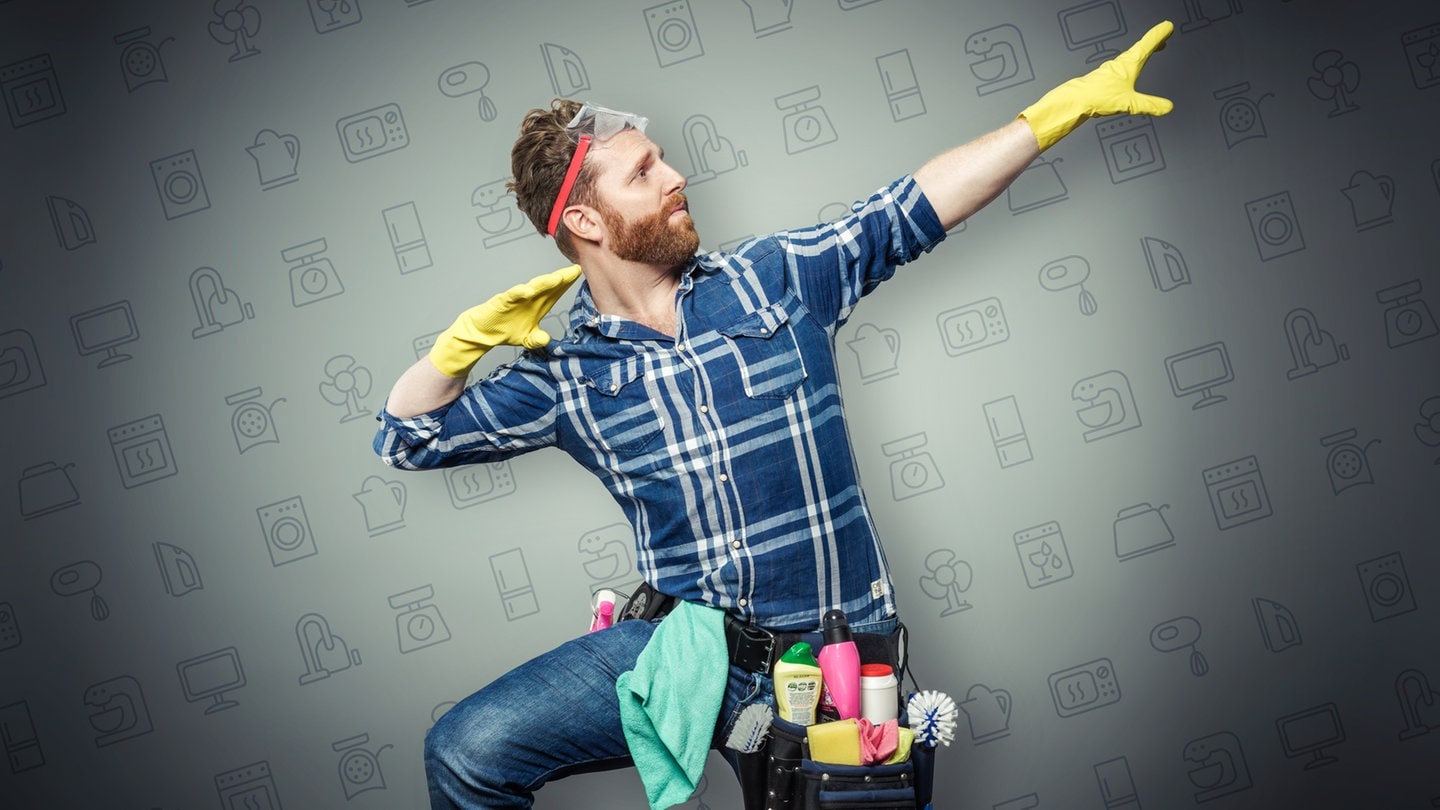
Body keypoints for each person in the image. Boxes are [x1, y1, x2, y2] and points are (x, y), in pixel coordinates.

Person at [374, 20, 1175, 810]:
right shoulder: (567, 374)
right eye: (645, 172)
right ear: (586, 222)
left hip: (828, 660)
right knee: (468, 751)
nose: (677, 174)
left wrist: (1052, 116)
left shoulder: (773, 278)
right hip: (684, 652)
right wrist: (459, 348)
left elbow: (908, 209)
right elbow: (407, 438)